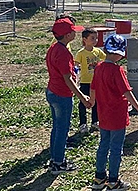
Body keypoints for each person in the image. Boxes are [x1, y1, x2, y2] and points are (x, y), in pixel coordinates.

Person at [90, 34, 138, 191]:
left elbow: (93, 88)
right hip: (117, 116)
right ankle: (113, 180)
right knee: (116, 148)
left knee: (103, 145)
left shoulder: (98, 67)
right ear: (120, 53)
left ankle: (99, 178)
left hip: (103, 114)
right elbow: (127, 92)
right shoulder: (118, 70)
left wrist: (91, 102)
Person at [45, 18, 90, 175]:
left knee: (57, 128)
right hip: (61, 95)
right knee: (62, 129)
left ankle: (55, 159)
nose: (75, 34)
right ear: (66, 35)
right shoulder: (63, 52)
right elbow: (67, 79)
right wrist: (82, 97)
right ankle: (58, 163)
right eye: (73, 32)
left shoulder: (54, 48)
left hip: (52, 91)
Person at [74, 28, 106, 134]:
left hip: (96, 82)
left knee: (96, 102)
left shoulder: (98, 51)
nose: (95, 40)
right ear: (84, 39)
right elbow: (76, 64)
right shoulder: (81, 53)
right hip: (85, 82)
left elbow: (106, 58)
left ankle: (95, 121)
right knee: (83, 102)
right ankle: (83, 123)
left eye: (96, 38)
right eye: (92, 38)